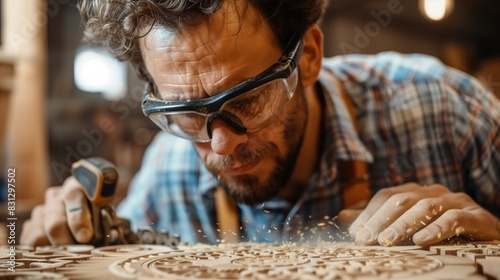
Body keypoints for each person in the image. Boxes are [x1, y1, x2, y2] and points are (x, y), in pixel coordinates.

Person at [21, 0, 500, 247]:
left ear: (308, 57)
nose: (221, 145)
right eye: (185, 111)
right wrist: (68, 236)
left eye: (246, 99)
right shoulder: (169, 173)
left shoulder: (444, 108)